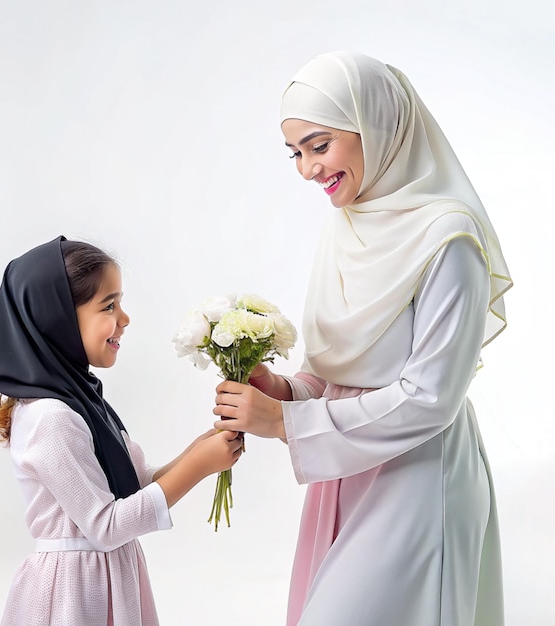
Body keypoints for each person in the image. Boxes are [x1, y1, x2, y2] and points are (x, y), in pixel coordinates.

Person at [213, 51, 512, 626]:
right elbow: (335, 370)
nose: (307, 169)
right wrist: (283, 390)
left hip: (419, 476)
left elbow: (430, 397)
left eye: (319, 146)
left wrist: (284, 423)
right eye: (295, 153)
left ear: (377, 124)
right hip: (346, 470)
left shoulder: (449, 240)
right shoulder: (348, 226)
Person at [0, 236, 243, 626]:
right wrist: (199, 467)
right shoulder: (50, 418)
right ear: (58, 321)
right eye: (109, 305)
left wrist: (198, 450)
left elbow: (133, 486)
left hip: (105, 578)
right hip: (74, 593)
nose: (125, 318)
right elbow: (105, 525)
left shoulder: (81, 402)